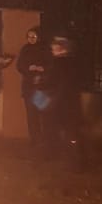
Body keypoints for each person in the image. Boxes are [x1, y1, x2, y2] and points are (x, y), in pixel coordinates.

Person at [37, 33, 85, 166]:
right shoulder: (75, 63)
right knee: (72, 132)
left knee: (51, 129)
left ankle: (55, 154)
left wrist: (40, 82)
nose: (52, 49)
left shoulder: (58, 64)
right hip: (71, 104)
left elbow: (49, 82)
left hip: (57, 104)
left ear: (62, 49)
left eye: (55, 47)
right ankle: (75, 159)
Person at [16, 26, 46, 148]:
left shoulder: (44, 49)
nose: (31, 39)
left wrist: (42, 69)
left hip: (40, 88)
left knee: (41, 113)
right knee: (31, 114)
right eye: (29, 37)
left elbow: (50, 65)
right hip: (28, 87)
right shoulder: (25, 49)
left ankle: (43, 138)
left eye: (34, 36)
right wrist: (28, 68)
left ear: (38, 37)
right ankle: (34, 138)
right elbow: (19, 66)